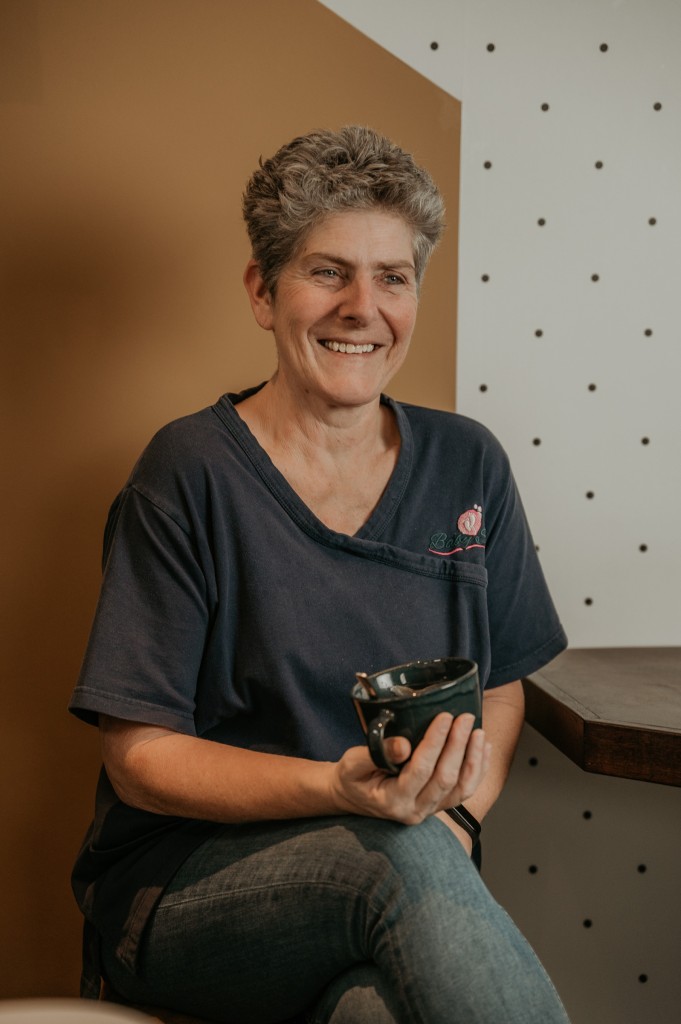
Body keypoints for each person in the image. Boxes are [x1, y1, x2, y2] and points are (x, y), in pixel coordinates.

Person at [70, 126, 570, 1024]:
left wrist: (456, 820)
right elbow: (139, 757)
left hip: (403, 878)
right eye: (327, 272)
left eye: (392, 277)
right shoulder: (189, 473)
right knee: (395, 856)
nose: (361, 308)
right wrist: (339, 793)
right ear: (262, 293)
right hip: (188, 888)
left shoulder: (468, 463)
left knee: (375, 1009)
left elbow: (498, 687)